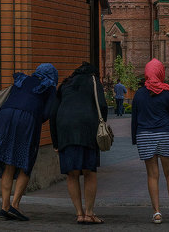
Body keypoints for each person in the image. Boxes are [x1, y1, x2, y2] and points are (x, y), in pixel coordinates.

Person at [0, 62, 58, 222]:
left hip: (4, 116)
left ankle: (5, 207)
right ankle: (15, 205)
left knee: (8, 162)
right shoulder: (49, 86)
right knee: (25, 162)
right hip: (27, 119)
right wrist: (34, 119)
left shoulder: (22, 80)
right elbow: (48, 112)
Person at [131, 58, 169, 224]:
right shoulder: (168, 91)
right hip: (164, 134)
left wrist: (136, 140)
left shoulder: (139, 94)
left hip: (144, 136)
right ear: (160, 72)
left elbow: (135, 119)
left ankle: (156, 213)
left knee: (152, 175)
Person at [50, 62, 107, 225]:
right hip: (88, 129)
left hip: (65, 130)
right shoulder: (94, 82)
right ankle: (89, 213)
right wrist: (101, 128)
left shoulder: (65, 85)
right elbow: (102, 106)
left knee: (72, 173)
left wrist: (56, 141)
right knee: (89, 171)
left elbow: (53, 113)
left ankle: (79, 213)